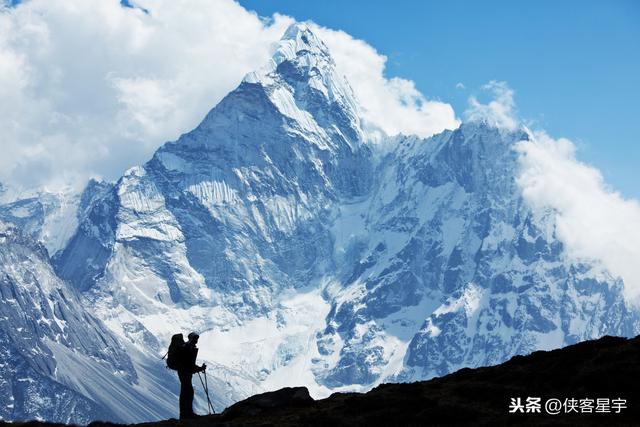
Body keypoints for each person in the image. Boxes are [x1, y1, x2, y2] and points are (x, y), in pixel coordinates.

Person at [177, 332, 206, 419]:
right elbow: (189, 364)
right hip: (185, 373)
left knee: (185, 392)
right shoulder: (188, 348)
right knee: (188, 392)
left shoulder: (188, 347)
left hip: (184, 372)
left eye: (196, 338)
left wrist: (198, 369)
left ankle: (185, 414)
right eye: (195, 338)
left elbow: (189, 364)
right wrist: (199, 369)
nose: (196, 340)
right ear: (191, 339)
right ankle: (187, 414)